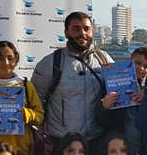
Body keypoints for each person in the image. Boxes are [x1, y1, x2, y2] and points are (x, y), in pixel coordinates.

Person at [31, 11, 113, 145]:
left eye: (86, 29)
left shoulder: (104, 60)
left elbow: (120, 93)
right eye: (76, 29)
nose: (82, 33)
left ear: (92, 31)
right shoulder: (50, 63)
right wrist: (42, 135)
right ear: (66, 33)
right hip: (60, 141)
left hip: (96, 140)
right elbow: (35, 102)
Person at [97, 47, 147, 155]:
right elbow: (100, 120)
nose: (141, 68)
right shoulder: (109, 84)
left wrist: (145, 100)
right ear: (128, 60)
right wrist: (104, 106)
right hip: (115, 147)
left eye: (146, 66)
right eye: (138, 63)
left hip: (139, 148)